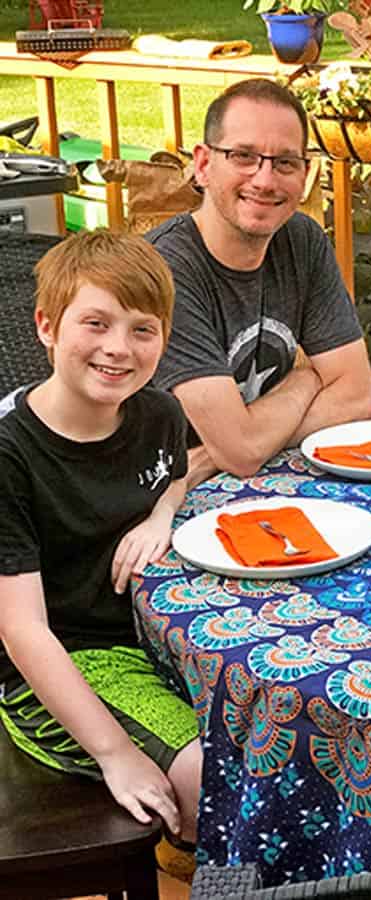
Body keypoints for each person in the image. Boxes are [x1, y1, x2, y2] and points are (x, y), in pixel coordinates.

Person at [0, 231, 201, 842]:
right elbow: (22, 629)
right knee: (204, 774)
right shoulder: (11, 456)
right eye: (96, 323)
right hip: (64, 664)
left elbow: (178, 475)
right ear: (47, 327)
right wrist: (115, 753)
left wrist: (160, 516)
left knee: (289, 729)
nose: (119, 349)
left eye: (143, 329)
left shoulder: (159, 414)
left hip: (161, 639)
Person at [149, 78, 371, 488]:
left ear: (305, 174)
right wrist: (307, 379)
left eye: (285, 162)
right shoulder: (165, 269)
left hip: (224, 478)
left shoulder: (301, 241)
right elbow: (241, 450)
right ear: (202, 164)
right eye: (243, 156)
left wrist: (211, 458)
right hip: (151, 504)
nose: (265, 180)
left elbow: (358, 399)